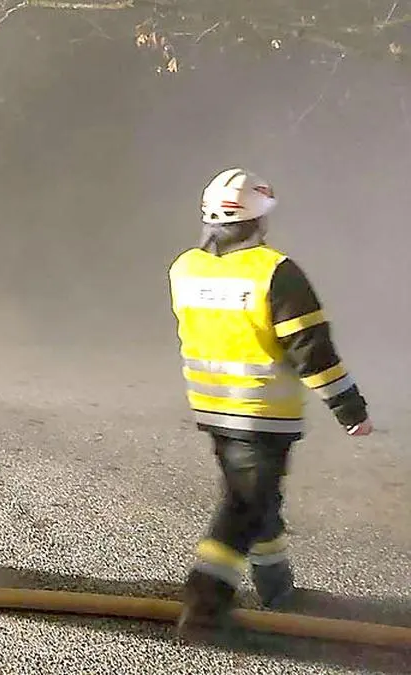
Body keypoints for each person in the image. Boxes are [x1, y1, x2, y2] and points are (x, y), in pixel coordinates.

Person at [168, 167, 373, 636]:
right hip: (261, 413)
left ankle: (276, 585)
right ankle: (203, 604)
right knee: (243, 506)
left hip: (212, 408)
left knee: (259, 496)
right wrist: (350, 410)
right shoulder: (276, 273)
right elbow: (312, 351)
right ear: (258, 219)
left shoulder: (184, 268)